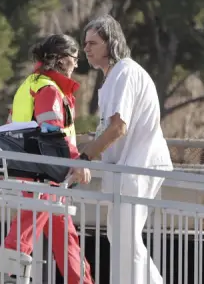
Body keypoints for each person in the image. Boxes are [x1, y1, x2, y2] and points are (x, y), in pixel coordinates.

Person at [80, 15, 173, 284]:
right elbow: (108, 130)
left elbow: (118, 127)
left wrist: (85, 157)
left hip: (138, 165)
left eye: (93, 43)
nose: (86, 48)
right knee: (121, 237)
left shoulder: (124, 72)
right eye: (85, 43)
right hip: (127, 168)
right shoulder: (112, 78)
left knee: (125, 238)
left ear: (111, 43)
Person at [1, 34, 93, 284]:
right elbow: (52, 132)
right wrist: (76, 161)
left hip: (41, 175)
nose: (76, 65)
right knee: (23, 237)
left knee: (66, 241)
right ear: (62, 60)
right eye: (74, 59)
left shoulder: (32, 84)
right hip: (42, 176)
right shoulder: (49, 89)